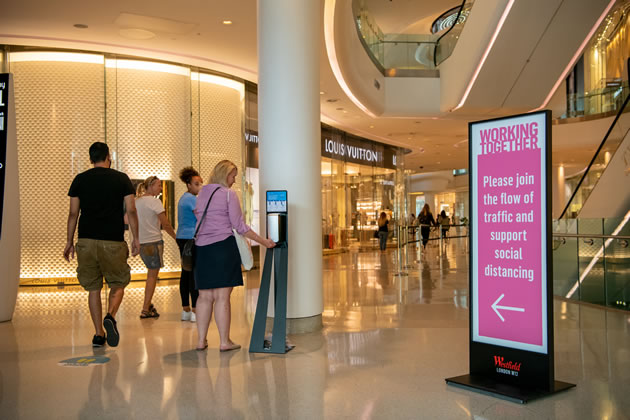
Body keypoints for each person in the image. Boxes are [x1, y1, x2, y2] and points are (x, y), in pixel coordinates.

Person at [64, 142, 140, 348]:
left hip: (86, 240)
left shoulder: (80, 180)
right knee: (118, 283)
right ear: (108, 157)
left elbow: (73, 213)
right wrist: (136, 238)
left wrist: (69, 242)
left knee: (94, 288)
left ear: (91, 159)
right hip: (113, 240)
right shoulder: (121, 179)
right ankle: (111, 315)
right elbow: (131, 210)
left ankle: (98, 334)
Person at [194, 160, 275, 352]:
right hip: (222, 247)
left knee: (204, 296)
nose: (234, 180)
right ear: (225, 175)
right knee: (222, 296)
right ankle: (224, 342)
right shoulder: (229, 195)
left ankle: (200, 340)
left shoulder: (202, 193)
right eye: (233, 176)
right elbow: (240, 226)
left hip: (202, 249)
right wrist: (264, 241)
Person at [135, 176, 177, 319]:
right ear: (151, 186)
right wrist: (176, 238)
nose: (160, 188)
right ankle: (145, 308)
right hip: (154, 242)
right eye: (159, 186)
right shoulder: (155, 202)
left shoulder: (137, 202)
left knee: (150, 275)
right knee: (152, 276)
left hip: (141, 243)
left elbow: (126, 219)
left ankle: (148, 305)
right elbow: (165, 224)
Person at [176, 167, 203, 322]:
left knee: (185, 273)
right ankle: (195, 309)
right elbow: (203, 215)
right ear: (189, 184)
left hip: (183, 237)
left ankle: (186, 308)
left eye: (200, 183)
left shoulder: (183, 198)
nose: (199, 186)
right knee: (193, 273)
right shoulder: (192, 199)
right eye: (196, 183)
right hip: (191, 239)